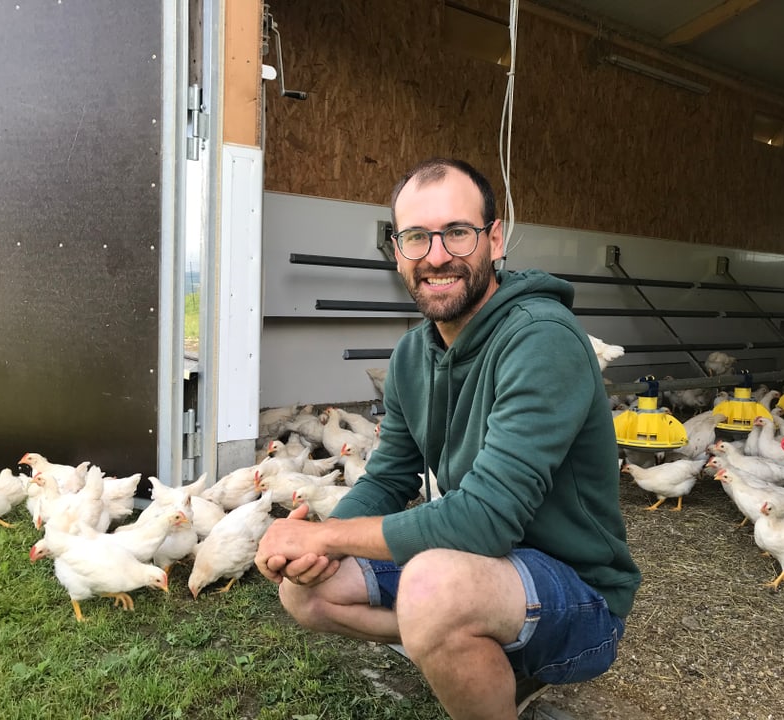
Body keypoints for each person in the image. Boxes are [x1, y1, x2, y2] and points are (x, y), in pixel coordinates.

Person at [255, 158, 641, 719]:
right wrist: (315, 538)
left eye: (457, 232)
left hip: (580, 596)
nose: (436, 255)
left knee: (433, 589)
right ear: (397, 251)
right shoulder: (415, 353)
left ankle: (472, 643)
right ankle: (475, 653)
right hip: (483, 571)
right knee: (307, 590)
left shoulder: (542, 339)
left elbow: (483, 522)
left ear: (494, 239)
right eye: (416, 237)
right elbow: (389, 476)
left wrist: (331, 538)